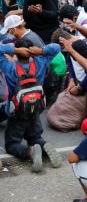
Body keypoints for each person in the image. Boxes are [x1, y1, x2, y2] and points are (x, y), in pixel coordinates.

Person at [0, 39, 62, 172]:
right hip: (36, 109)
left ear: (17, 52)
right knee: (35, 137)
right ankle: (44, 145)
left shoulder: (9, 67)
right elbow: (57, 47)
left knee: (11, 144)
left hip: (16, 112)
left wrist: (14, 50)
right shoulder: (40, 62)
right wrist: (41, 51)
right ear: (31, 49)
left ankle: (30, 151)